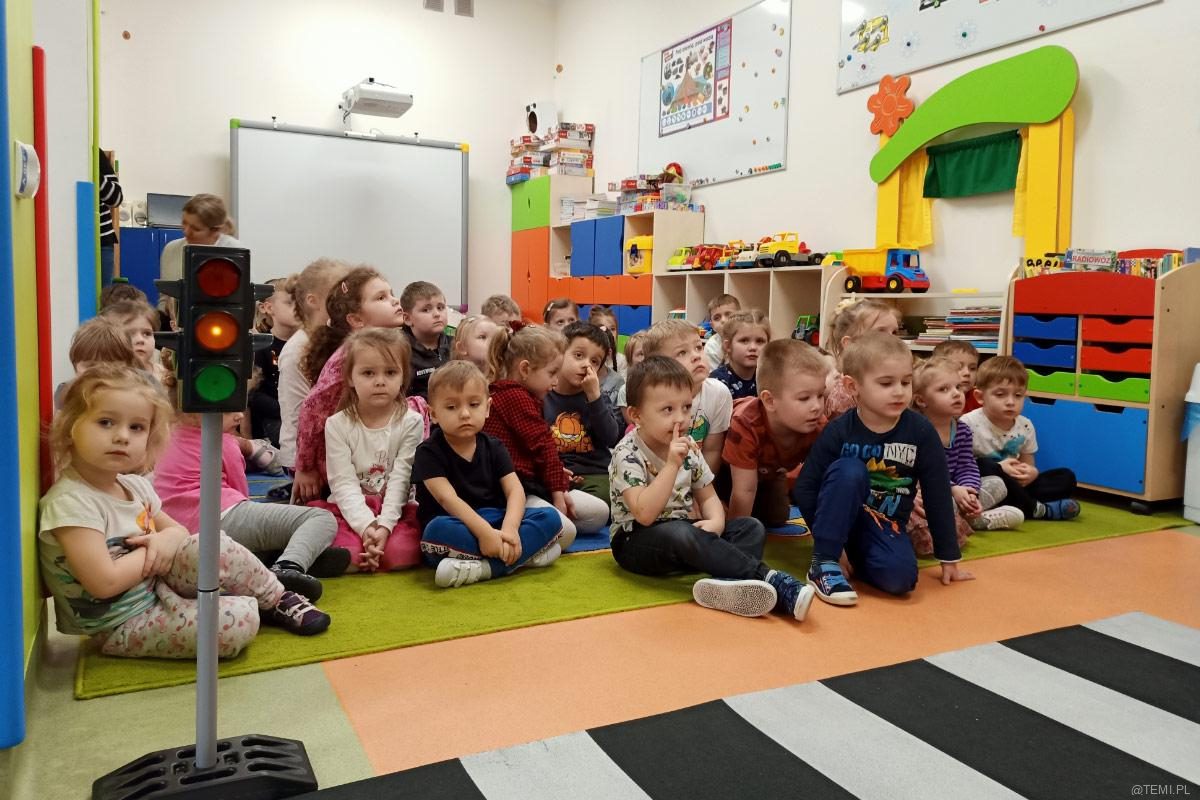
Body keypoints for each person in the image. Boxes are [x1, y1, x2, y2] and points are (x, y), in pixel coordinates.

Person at [39, 365, 330, 659]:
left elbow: (178, 531)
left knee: (212, 543)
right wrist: (157, 547)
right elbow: (105, 583)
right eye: (105, 422)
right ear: (70, 426)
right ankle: (250, 599)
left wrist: (167, 539)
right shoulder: (71, 502)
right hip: (120, 621)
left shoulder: (134, 486)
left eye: (136, 427)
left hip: (157, 585)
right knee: (238, 620)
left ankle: (277, 598)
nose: (122, 436)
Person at [609, 356, 815, 621]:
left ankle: (729, 586)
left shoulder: (690, 448)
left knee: (750, 527)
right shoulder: (627, 453)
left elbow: (708, 497)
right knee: (680, 533)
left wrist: (716, 522)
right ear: (637, 415)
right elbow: (644, 514)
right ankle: (768, 579)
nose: (681, 418)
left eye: (686, 407)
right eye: (667, 410)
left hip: (686, 536)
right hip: (634, 541)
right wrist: (671, 465)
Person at [793, 332, 974, 607]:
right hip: (835, 520)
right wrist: (828, 547)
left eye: (906, 382)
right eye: (886, 383)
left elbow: (937, 492)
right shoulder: (839, 430)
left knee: (901, 580)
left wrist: (948, 557)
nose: (899, 391)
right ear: (853, 386)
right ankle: (824, 564)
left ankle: (855, 557)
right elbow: (806, 487)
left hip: (885, 526)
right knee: (850, 470)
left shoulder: (921, 431)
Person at [154, 408, 345, 599]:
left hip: (179, 533)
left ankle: (274, 558)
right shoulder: (222, 440)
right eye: (228, 411)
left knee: (262, 536)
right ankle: (288, 565)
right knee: (321, 518)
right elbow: (241, 494)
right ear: (195, 413)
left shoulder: (165, 439)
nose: (240, 415)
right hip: (223, 515)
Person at [415, 361, 563, 588]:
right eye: (452, 407)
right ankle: (524, 557)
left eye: (474, 404)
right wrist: (485, 534)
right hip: (456, 523)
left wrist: (510, 529)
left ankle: (485, 569)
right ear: (433, 413)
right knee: (437, 530)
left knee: (550, 518)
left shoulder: (495, 446)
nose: (465, 413)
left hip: (495, 519)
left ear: (487, 407)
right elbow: (447, 499)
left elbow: (515, 490)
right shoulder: (428, 452)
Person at [292, 267, 422, 502]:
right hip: (346, 457)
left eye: (392, 294)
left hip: (373, 448)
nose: (395, 301)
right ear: (357, 320)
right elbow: (312, 407)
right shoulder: (349, 355)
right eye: (381, 297)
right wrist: (305, 467)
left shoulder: (391, 347)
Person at [307, 329, 423, 572]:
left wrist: (384, 527)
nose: (380, 381)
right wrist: (366, 526)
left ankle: (376, 549)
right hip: (349, 509)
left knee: (399, 554)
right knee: (346, 552)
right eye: (368, 373)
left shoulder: (411, 421)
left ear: (403, 376)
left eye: (390, 372)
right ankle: (363, 550)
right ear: (350, 377)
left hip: (395, 510)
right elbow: (342, 483)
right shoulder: (337, 424)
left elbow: (401, 479)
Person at [484, 324, 609, 548]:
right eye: (552, 373)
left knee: (598, 513)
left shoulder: (527, 396)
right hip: (515, 492)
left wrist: (557, 477)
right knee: (566, 531)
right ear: (525, 369)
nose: (555, 381)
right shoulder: (514, 396)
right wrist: (558, 493)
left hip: (533, 485)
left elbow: (537, 450)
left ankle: (539, 535)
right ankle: (517, 539)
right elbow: (543, 445)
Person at [907, 358, 1021, 558]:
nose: (956, 394)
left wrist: (970, 491)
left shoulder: (962, 430)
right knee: (940, 503)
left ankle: (970, 513)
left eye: (958, 387)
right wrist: (952, 489)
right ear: (921, 400)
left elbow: (967, 465)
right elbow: (918, 474)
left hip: (957, 492)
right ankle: (978, 520)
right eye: (944, 389)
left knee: (998, 483)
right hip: (929, 491)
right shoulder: (916, 431)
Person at [722, 339, 828, 527]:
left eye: (820, 395)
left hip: (769, 472)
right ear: (770, 401)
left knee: (777, 516)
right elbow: (743, 491)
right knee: (733, 516)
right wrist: (737, 535)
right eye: (804, 398)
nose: (817, 406)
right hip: (722, 472)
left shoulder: (818, 425)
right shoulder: (746, 423)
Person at [962, 355, 1081, 520]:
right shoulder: (967, 424)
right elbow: (962, 467)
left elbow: (1027, 463)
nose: (1011, 402)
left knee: (1066, 477)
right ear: (980, 397)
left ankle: (1016, 503)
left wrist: (1031, 473)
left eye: (1018, 395)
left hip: (1016, 485)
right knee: (983, 464)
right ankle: (1035, 509)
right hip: (986, 484)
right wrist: (999, 468)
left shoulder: (1025, 425)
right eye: (1000, 395)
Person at [277, 258, 348, 473]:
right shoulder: (297, 350)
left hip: (335, 451)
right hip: (304, 459)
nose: (348, 299)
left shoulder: (341, 339)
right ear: (313, 300)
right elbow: (301, 414)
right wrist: (307, 466)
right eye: (339, 293)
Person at [545, 322, 623, 508]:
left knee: (607, 497)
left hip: (593, 473)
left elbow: (611, 437)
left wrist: (594, 397)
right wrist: (556, 474)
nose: (586, 364)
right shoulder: (543, 394)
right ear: (560, 354)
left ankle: (565, 511)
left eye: (594, 362)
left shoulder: (597, 397)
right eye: (578, 355)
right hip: (553, 472)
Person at [641, 319, 732, 476]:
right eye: (682, 352)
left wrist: (700, 488)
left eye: (698, 347)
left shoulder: (718, 393)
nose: (696, 356)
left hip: (698, 476)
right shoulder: (651, 396)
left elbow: (712, 450)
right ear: (658, 365)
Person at [157, 194, 242, 328]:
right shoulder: (171, 249)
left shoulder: (235, 252)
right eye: (184, 223)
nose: (186, 231)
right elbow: (165, 298)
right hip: (177, 326)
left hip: (221, 326)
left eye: (195, 229)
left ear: (215, 230)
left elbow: (242, 300)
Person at [823, 298, 904, 420]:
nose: (892, 340)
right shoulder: (844, 396)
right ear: (850, 344)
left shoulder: (898, 375)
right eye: (880, 332)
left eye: (895, 332)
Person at [248, 275, 300, 446]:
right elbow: (253, 394)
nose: (298, 308)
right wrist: (285, 410)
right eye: (290, 303)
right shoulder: (261, 346)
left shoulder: (307, 344)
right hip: (273, 419)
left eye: (300, 302)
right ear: (268, 308)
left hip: (300, 415)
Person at [54, 317, 141, 409]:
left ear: (129, 367)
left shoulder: (141, 394)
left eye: (112, 366)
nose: (100, 373)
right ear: (75, 367)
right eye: (91, 366)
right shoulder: (67, 394)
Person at [399, 281, 452, 400]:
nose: (437, 314)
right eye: (426, 310)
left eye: (440, 307)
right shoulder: (399, 351)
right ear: (407, 319)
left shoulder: (456, 345)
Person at [99, 299, 168, 384]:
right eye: (129, 334)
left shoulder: (164, 376)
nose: (140, 340)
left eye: (147, 333)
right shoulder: (106, 378)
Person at [710, 310, 770, 400]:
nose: (753, 347)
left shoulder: (769, 378)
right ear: (728, 346)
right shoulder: (717, 383)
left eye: (760, 341)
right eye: (744, 340)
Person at [932, 339, 983, 414]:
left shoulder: (979, 397)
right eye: (959, 367)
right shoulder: (934, 398)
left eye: (972, 368)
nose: (967, 373)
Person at [98, 150, 123, 288]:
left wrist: (95, 175)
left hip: (101, 240)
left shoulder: (96, 154)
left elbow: (116, 198)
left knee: (103, 296)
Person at [702, 293, 741, 372]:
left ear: (741, 317)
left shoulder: (750, 336)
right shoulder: (712, 346)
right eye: (717, 318)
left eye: (729, 315)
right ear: (712, 325)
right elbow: (715, 375)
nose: (723, 320)